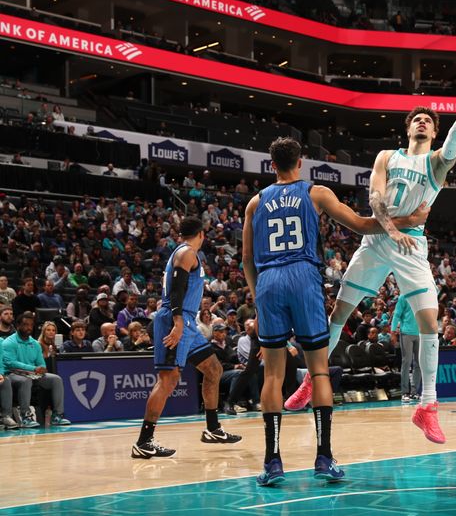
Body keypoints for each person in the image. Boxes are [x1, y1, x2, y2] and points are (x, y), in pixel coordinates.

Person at [284, 84, 456, 444]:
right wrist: (391, 227)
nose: (422, 122)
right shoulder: (387, 156)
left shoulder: (437, 163)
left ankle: (428, 406)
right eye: (416, 119)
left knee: (429, 322)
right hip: (376, 241)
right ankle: (313, 378)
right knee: (339, 314)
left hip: (412, 247)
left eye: (428, 121)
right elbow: (374, 198)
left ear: (434, 132)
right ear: (408, 129)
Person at [242, 137, 429, 486]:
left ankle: (272, 462)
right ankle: (323, 458)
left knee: (272, 377)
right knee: (320, 373)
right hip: (303, 276)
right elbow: (361, 224)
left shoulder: (255, 202)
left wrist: (259, 296)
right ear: (300, 163)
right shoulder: (316, 194)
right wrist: (408, 220)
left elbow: (246, 261)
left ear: (272, 165)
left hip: (268, 282)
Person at [131, 217, 241, 459]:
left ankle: (213, 428)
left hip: (188, 323)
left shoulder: (189, 254)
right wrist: (178, 322)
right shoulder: (187, 253)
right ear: (201, 234)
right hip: (176, 320)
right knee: (168, 380)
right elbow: (176, 291)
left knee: (213, 369)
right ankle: (144, 441)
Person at [2, 312, 71, 427]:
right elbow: (10, 363)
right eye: (25, 325)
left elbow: (41, 364)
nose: (29, 327)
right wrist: (33, 368)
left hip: (32, 373)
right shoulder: (9, 342)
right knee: (25, 380)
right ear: (18, 326)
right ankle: (25, 416)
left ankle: (58, 415)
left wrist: (41, 369)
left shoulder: (35, 344)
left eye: (31, 325)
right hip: (13, 373)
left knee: (56, 379)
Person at [391, 293, 421, 402]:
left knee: (418, 363)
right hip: (406, 333)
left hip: (420, 333)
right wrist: (393, 331)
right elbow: (397, 314)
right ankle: (404, 392)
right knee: (406, 362)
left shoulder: (421, 294)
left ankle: (415, 392)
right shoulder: (403, 296)